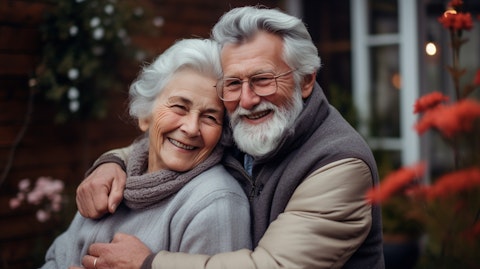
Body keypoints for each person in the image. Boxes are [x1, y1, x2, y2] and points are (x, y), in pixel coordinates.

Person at [74, 5, 385, 269]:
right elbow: (172, 137)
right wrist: (112, 162)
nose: (247, 100)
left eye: (262, 80)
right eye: (234, 83)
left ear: (305, 81)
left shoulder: (340, 164)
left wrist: (149, 263)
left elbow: (272, 265)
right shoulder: (246, 125)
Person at [40, 38, 251, 269]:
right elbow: (54, 260)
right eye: (179, 107)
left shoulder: (215, 203)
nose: (191, 128)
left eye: (210, 117)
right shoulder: (110, 180)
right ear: (144, 114)